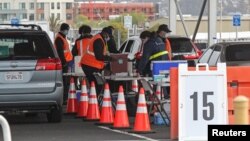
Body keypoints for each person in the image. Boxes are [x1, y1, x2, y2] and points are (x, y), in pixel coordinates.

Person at [81, 28, 113, 95]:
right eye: (108, 35)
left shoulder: (100, 38)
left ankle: (95, 100)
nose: (108, 37)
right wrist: (110, 58)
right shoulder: (98, 40)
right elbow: (99, 56)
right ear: (104, 33)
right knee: (96, 84)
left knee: (97, 84)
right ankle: (94, 101)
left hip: (91, 64)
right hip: (89, 65)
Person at [54, 23, 73, 103]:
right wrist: (64, 62)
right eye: (67, 30)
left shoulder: (62, 37)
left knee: (66, 81)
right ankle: (64, 99)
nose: (67, 31)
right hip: (64, 62)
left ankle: (65, 98)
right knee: (64, 81)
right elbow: (60, 52)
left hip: (67, 61)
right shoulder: (59, 38)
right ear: (65, 29)